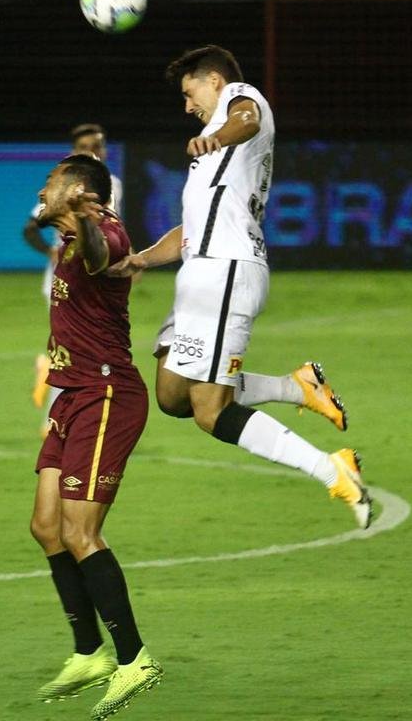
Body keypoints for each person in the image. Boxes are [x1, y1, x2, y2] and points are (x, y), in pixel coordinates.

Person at [108, 45, 372, 529]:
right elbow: (190, 231)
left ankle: (331, 468)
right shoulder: (209, 155)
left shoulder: (241, 101)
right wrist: (142, 258)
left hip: (226, 272)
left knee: (210, 412)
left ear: (214, 80)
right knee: (171, 395)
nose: (187, 106)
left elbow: (246, 118)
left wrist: (219, 136)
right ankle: (296, 387)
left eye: (190, 93)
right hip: (199, 274)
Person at [28, 154, 163, 719]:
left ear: (81, 191)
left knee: (83, 532)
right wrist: (58, 213)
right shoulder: (68, 231)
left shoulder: (105, 230)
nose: (44, 186)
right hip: (72, 395)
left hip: (107, 395)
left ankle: (135, 660)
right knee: (46, 526)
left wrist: (80, 218)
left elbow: (105, 253)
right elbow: (34, 223)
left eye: (56, 181)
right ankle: (89, 653)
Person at [25, 123, 124, 426]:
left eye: (100, 146)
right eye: (88, 147)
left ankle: (58, 404)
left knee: (81, 350)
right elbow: (31, 226)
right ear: (74, 152)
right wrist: (50, 252)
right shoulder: (64, 185)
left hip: (93, 278)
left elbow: (111, 229)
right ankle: (57, 421)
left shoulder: (112, 183)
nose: (96, 152)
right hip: (64, 278)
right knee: (75, 351)